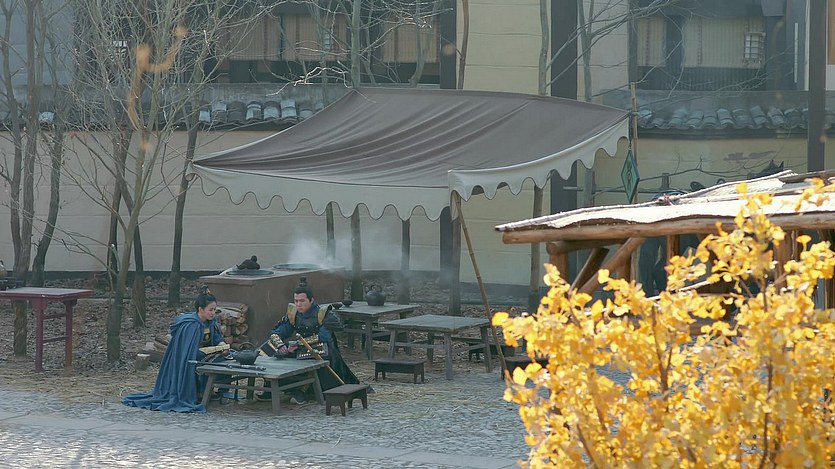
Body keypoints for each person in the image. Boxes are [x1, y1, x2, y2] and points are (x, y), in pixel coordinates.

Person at [123, 286, 230, 412]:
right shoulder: (191, 325)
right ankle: (200, 393)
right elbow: (187, 351)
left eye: (214, 310)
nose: (213, 313)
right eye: (210, 310)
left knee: (226, 362)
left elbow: (217, 337)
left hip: (206, 355)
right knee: (213, 363)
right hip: (191, 358)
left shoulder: (210, 322)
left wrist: (222, 345)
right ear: (200, 309)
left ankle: (221, 392)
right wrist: (211, 351)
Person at [263, 277, 360, 405]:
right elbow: (277, 333)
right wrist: (281, 345)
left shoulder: (323, 314)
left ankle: (303, 391)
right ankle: (271, 387)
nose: (298, 304)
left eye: (302, 301)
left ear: (311, 300)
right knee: (270, 352)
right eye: (296, 301)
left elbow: (323, 337)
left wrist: (297, 344)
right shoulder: (293, 314)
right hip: (299, 348)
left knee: (315, 361)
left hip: (323, 349)